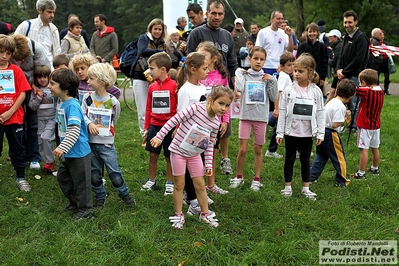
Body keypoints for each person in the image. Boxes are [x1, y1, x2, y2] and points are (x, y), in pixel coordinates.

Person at [150, 85, 234, 229]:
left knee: (201, 185)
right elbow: (174, 120)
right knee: (179, 184)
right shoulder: (195, 108)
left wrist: (208, 165)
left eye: (227, 106)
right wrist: (159, 137)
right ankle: (178, 215)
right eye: (221, 103)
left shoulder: (215, 124)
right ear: (210, 100)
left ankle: (205, 214)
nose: (223, 109)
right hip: (178, 152)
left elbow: (208, 146)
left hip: (194, 154)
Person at [186, 0, 238, 175]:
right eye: (213, 13)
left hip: (222, 86)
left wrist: (234, 85)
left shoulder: (227, 36)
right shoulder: (197, 33)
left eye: (220, 14)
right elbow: (190, 62)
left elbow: (232, 62)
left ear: (224, 15)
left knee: (224, 126)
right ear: (207, 13)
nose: (217, 17)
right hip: (202, 90)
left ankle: (224, 159)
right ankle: (196, 167)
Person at [81, 63, 136, 208]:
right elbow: (82, 114)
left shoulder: (113, 101)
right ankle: (99, 196)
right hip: (90, 142)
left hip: (106, 144)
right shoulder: (87, 98)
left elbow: (114, 118)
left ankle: (124, 193)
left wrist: (106, 130)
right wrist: (89, 124)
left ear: (102, 81)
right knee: (94, 173)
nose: (88, 81)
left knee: (114, 172)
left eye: (91, 78)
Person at [276, 54, 325, 200]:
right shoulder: (288, 90)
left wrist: (320, 134)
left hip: (307, 133)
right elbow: (283, 111)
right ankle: (287, 186)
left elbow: (320, 113)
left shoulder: (316, 91)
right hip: (291, 131)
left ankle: (306, 188)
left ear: (310, 72)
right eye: (294, 70)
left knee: (305, 160)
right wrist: (280, 132)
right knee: (289, 159)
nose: (296, 74)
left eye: (300, 71)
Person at [229, 46, 278, 191]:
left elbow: (274, 97)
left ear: (265, 61)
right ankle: (239, 176)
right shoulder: (243, 74)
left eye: (261, 59)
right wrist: (239, 72)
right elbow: (240, 88)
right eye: (255, 58)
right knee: (242, 149)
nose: (258, 62)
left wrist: (272, 81)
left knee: (258, 148)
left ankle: (257, 179)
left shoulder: (268, 78)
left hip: (261, 118)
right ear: (249, 59)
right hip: (246, 117)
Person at [50, 68, 93, 220]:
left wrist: (62, 147)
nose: (49, 86)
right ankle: (75, 203)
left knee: (82, 184)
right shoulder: (63, 103)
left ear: (65, 88)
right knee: (63, 178)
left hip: (79, 153)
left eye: (52, 84)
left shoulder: (73, 106)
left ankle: (86, 211)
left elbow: (74, 131)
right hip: (68, 153)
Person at [175, 52, 212, 215]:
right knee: (189, 168)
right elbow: (181, 115)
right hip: (187, 137)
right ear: (192, 69)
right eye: (205, 68)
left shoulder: (202, 87)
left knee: (198, 166)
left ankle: (197, 197)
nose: (208, 71)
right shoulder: (185, 91)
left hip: (201, 134)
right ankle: (191, 199)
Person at [11, 33, 51, 170]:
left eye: (23, 59)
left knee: (33, 121)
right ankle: (20, 155)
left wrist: (33, 83)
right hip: (16, 89)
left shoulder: (37, 49)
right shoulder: (8, 49)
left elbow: (44, 71)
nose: (20, 62)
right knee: (18, 123)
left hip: (34, 88)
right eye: (17, 59)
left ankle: (34, 156)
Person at [141, 53, 177, 196]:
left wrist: (177, 127)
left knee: (169, 156)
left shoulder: (174, 86)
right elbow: (148, 107)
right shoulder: (152, 87)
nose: (149, 71)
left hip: (170, 127)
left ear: (163, 69)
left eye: (152, 68)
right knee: (153, 155)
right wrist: (146, 127)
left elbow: (178, 108)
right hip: (154, 126)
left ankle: (170, 182)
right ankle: (152, 180)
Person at [197, 41, 230, 194]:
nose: (200, 57)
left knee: (212, 152)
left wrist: (225, 121)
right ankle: (198, 186)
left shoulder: (221, 76)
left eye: (204, 55)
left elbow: (227, 100)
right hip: (198, 121)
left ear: (213, 59)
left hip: (215, 122)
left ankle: (211, 184)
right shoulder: (196, 73)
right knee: (198, 153)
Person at [0, 34, 32, 191]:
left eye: (8, 53)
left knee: (18, 148)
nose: (4, 56)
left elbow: (23, 93)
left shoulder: (16, 70)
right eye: (1, 52)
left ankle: (21, 178)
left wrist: (10, 112)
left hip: (14, 118)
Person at [310, 79, 355, 187]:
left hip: (321, 131)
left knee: (321, 156)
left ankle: (311, 177)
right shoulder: (340, 106)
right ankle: (342, 180)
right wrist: (345, 117)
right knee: (339, 157)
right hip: (331, 134)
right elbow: (335, 124)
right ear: (351, 96)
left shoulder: (333, 101)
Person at [132, 18, 167, 137]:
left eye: (159, 29)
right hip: (140, 76)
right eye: (155, 29)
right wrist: (159, 52)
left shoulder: (163, 42)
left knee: (154, 108)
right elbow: (142, 50)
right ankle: (144, 134)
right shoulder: (144, 38)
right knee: (142, 108)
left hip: (155, 79)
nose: (157, 31)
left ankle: (155, 132)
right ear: (150, 29)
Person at [336, 10, 369, 132]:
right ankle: (349, 124)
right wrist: (339, 69)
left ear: (356, 22)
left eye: (350, 22)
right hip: (344, 75)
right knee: (345, 102)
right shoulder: (345, 37)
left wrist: (344, 71)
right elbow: (341, 55)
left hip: (355, 75)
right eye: (345, 22)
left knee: (355, 102)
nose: (347, 25)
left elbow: (358, 59)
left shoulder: (361, 38)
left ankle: (356, 126)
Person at [352, 69, 384, 179]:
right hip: (376, 125)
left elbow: (353, 90)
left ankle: (361, 172)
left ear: (364, 82)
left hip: (365, 125)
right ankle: (375, 167)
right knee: (375, 147)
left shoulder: (366, 92)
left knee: (363, 149)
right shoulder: (380, 91)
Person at [265, 51, 294, 159]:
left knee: (285, 130)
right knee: (279, 130)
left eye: (292, 65)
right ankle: (271, 150)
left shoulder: (285, 75)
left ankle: (294, 149)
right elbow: (278, 92)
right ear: (282, 66)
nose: (291, 67)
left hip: (286, 108)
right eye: (289, 65)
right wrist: (277, 109)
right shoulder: (283, 77)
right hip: (283, 109)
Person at [28, 65, 56, 173]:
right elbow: (32, 106)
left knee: (46, 138)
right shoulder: (35, 90)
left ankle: (50, 161)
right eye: (39, 77)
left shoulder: (53, 88)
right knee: (40, 141)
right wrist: (39, 97)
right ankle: (47, 160)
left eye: (45, 77)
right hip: (40, 119)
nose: (42, 79)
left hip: (51, 119)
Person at [15, 0, 60, 65]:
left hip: (49, 69)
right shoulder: (27, 25)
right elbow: (14, 45)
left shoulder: (54, 30)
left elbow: (57, 52)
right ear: (40, 10)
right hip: (29, 69)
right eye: (49, 12)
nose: (52, 15)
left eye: (53, 12)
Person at [255, 10, 294, 75]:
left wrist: (290, 36)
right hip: (266, 66)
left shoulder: (284, 33)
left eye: (282, 19)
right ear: (272, 19)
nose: (281, 21)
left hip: (280, 67)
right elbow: (257, 50)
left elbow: (290, 50)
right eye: (278, 19)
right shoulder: (263, 32)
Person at [297, 22, 328, 93]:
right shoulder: (302, 46)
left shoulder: (322, 47)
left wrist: (323, 77)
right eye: (310, 31)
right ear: (307, 33)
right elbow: (298, 61)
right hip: (305, 75)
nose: (312, 34)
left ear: (317, 33)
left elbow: (325, 62)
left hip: (318, 75)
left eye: (314, 31)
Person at [370, 28, 391, 95]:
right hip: (378, 62)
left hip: (385, 62)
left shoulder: (386, 43)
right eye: (380, 34)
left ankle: (386, 89)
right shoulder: (375, 42)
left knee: (387, 75)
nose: (382, 35)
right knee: (376, 76)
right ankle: (377, 89)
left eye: (382, 34)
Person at [324, 29, 342, 105]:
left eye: (330, 37)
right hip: (336, 73)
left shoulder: (339, 47)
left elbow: (336, 60)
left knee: (336, 92)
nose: (328, 38)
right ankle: (325, 106)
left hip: (340, 73)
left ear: (336, 37)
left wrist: (327, 60)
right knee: (332, 91)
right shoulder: (334, 47)